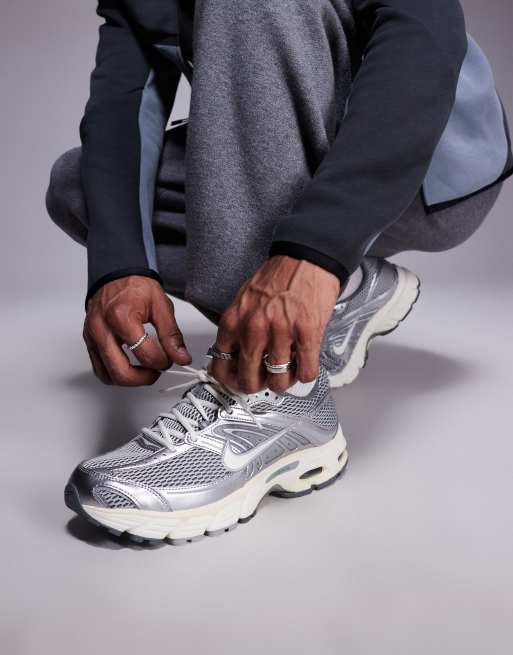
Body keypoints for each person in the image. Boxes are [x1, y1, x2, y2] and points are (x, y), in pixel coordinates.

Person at [48, 1, 511, 544]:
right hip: (299, 159)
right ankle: (345, 293)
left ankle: (276, 394)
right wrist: (119, 268)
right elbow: (125, 99)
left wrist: (316, 249)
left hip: (424, 162)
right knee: (84, 189)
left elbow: (425, 31)